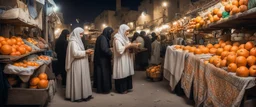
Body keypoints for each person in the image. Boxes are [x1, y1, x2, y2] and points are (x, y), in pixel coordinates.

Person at [65, 27, 93, 102]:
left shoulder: (78, 41)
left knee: (82, 79)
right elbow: (75, 53)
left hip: (81, 64)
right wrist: (85, 52)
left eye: (82, 34)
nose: (81, 35)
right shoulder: (72, 42)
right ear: (76, 33)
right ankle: (77, 96)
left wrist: (86, 52)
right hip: (76, 64)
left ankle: (85, 94)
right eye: (80, 34)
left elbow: (79, 51)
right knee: (77, 81)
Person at [113, 24, 138, 94]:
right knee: (122, 73)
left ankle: (127, 87)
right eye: (126, 31)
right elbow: (119, 50)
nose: (128, 33)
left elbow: (128, 46)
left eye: (128, 31)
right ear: (122, 30)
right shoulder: (117, 39)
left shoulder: (125, 38)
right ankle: (121, 89)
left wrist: (132, 46)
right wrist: (129, 45)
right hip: (121, 59)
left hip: (126, 58)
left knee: (127, 73)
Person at [93, 27, 114, 93]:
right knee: (103, 74)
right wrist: (111, 52)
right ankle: (104, 89)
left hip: (100, 60)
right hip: (103, 60)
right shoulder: (103, 38)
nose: (111, 35)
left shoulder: (101, 37)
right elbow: (104, 49)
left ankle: (100, 89)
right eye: (110, 33)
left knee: (100, 75)